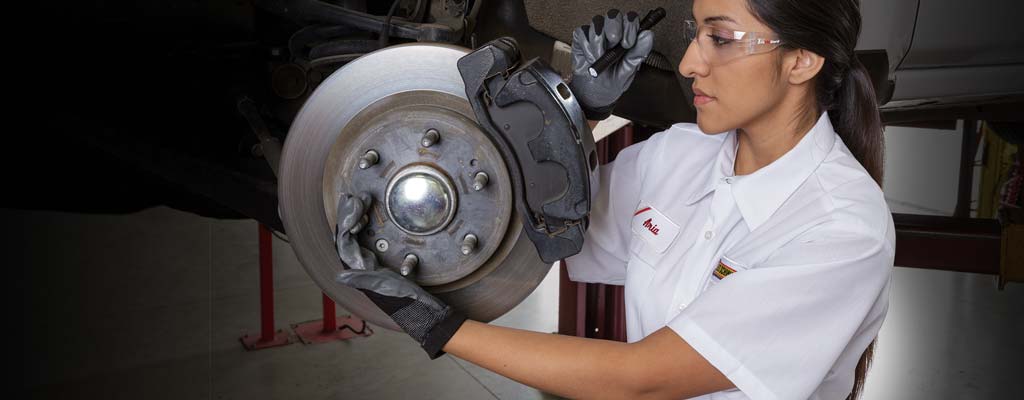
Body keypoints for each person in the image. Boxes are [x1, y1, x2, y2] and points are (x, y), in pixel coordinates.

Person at [332, 0, 895, 398]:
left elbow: (642, 379)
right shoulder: (680, 153)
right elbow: (550, 230)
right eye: (695, 32)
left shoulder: (843, 229)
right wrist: (572, 111)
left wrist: (435, 325)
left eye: (720, 38)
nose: (689, 62)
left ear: (803, 60)